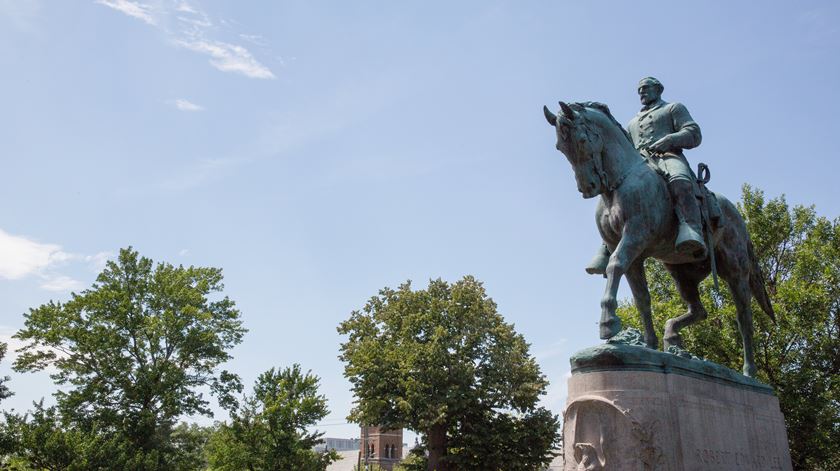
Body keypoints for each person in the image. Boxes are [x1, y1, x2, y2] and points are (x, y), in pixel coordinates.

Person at [586, 77, 706, 275]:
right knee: (613, 196)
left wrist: (669, 140)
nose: (642, 92)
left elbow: (693, 133)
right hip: (641, 165)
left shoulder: (673, 108)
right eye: (639, 90)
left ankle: (690, 227)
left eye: (646, 88)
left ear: (658, 89)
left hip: (668, 157)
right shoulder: (633, 123)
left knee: (679, 181)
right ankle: (607, 246)